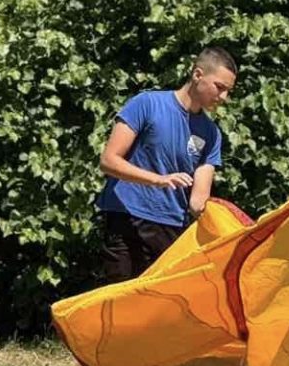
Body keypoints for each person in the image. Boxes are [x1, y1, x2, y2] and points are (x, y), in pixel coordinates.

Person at [96, 46, 237, 284]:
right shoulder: (147, 103)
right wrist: (157, 180)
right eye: (219, 87)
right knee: (119, 302)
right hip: (126, 219)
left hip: (171, 231)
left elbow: (198, 202)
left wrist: (232, 228)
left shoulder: (212, 134)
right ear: (198, 75)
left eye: (228, 91)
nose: (223, 97)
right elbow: (109, 161)